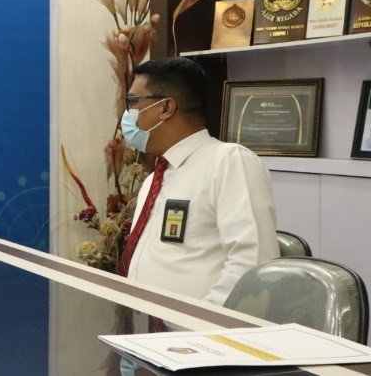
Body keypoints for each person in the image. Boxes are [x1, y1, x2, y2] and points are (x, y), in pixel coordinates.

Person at [110, 57, 279, 306]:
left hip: (194, 327)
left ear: (166, 107)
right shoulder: (154, 179)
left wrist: (195, 323)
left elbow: (252, 264)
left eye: (133, 102)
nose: (127, 115)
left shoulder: (229, 162)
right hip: (144, 323)